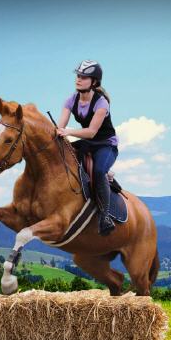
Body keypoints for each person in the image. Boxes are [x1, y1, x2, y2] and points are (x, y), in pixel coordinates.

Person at [56, 60, 118, 236]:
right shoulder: (70, 100)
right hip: (87, 143)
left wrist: (66, 132)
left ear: (94, 82)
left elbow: (91, 132)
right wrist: (56, 134)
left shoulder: (101, 103)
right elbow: (60, 126)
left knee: (98, 172)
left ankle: (105, 217)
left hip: (106, 145)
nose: (79, 79)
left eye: (84, 77)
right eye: (78, 76)